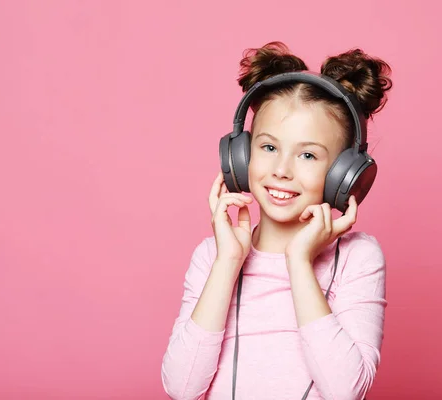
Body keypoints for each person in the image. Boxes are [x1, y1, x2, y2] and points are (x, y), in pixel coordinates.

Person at [161, 41, 393, 400]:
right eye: (269, 148)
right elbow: (181, 386)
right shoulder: (213, 256)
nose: (282, 170)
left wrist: (299, 262)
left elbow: (345, 390)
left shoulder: (357, 258)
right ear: (241, 156)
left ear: (343, 174)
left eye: (308, 155)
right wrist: (228, 263)